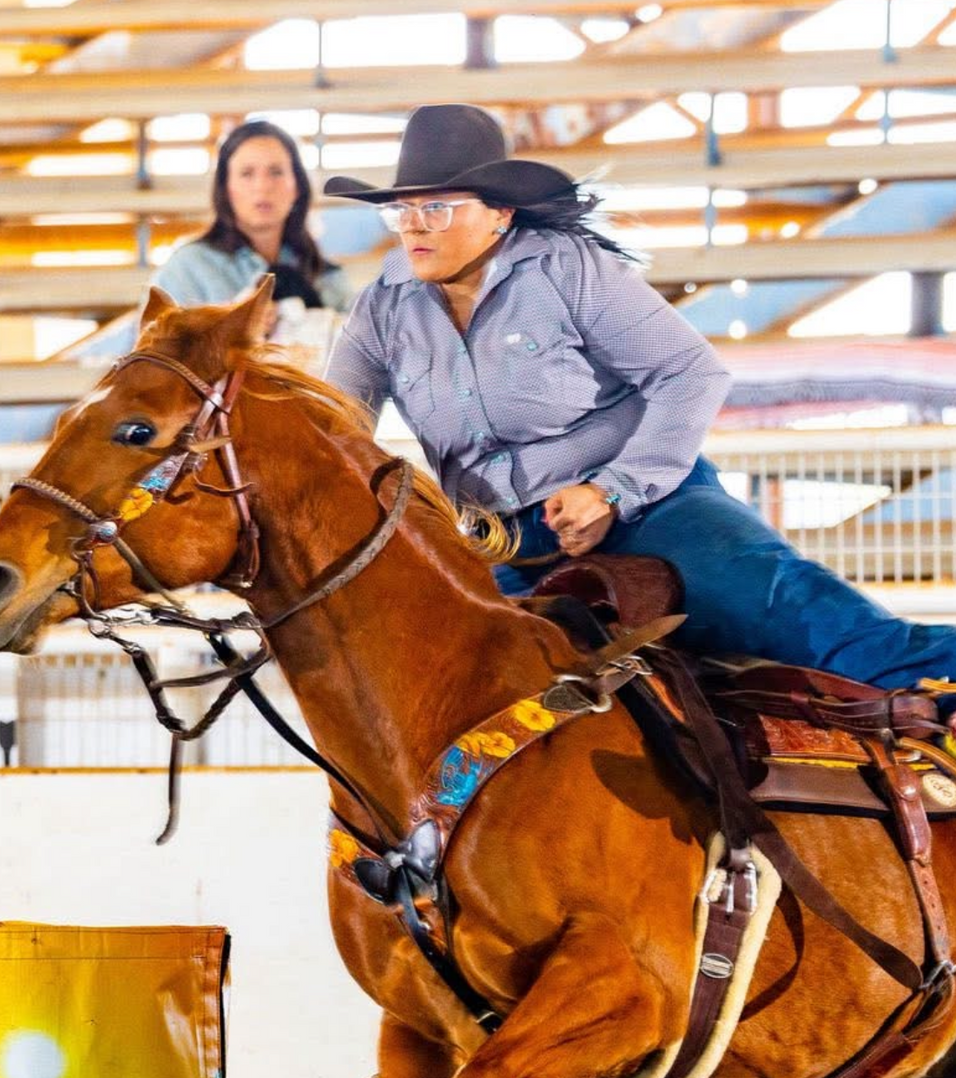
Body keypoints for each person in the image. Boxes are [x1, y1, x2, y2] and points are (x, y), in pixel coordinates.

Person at [324, 103, 956, 692]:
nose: (413, 226)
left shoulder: (566, 269)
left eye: (437, 208)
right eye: (401, 210)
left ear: (500, 213)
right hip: (505, 540)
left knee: (817, 623)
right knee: (446, 682)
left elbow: (690, 373)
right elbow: (334, 426)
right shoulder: (382, 308)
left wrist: (610, 492)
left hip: (652, 507)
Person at [154, 119, 351, 315]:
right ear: (225, 188)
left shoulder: (327, 275)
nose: (262, 186)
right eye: (246, 173)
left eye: (276, 172)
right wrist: (228, 326)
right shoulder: (186, 269)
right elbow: (154, 334)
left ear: (298, 186)